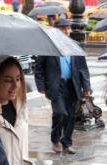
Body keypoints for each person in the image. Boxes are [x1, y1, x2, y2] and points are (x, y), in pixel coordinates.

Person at [34, 19, 92, 155]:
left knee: (71, 116)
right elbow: (39, 68)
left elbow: (83, 68)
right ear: (56, 30)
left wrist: (86, 86)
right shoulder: (48, 47)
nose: (65, 31)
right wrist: (41, 85)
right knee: (61, 113)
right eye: (62, 28)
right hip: (55, 86)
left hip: (72, 85)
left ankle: (67, 142)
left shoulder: (75, 46)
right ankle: (55, 140)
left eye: (67, 28)